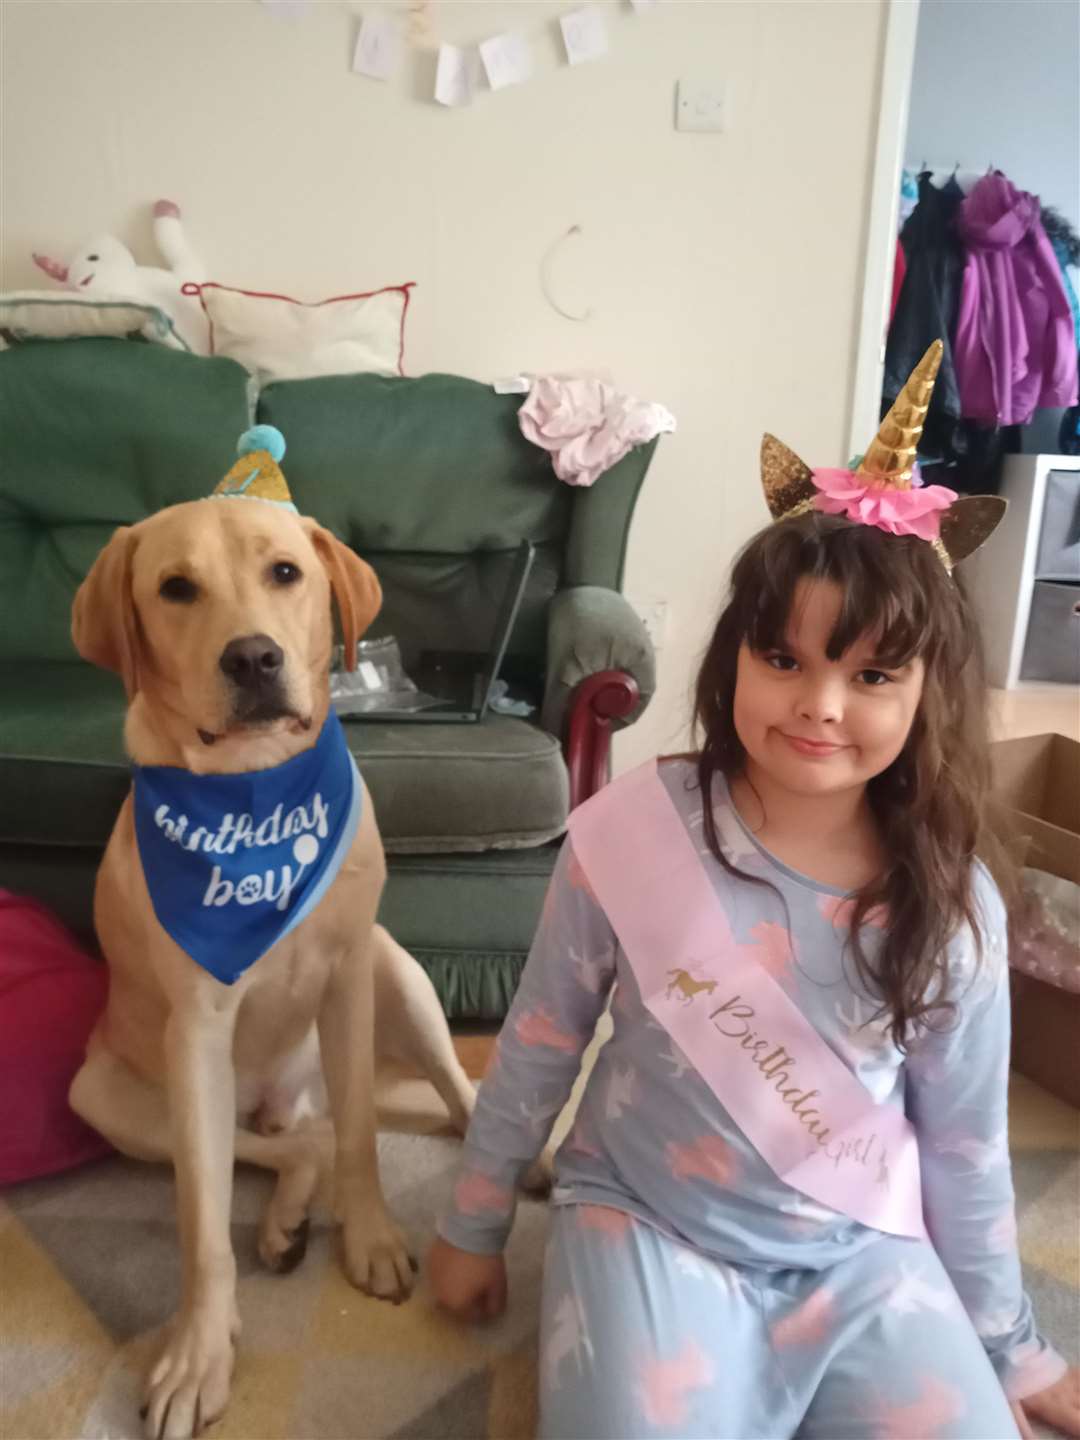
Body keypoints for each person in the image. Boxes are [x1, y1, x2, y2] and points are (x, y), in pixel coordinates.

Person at [429, 344, 1079, 1440]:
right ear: (733, 657)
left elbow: (965, 1144)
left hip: (860, 1246)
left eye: (872, 675)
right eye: (784, 658)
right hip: (648, 1222)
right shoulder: (637, 832)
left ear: (928, 693)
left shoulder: (952, 904)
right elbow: (539, 1037)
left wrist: (1010, 1349)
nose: (820, 704)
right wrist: (474, 1218)